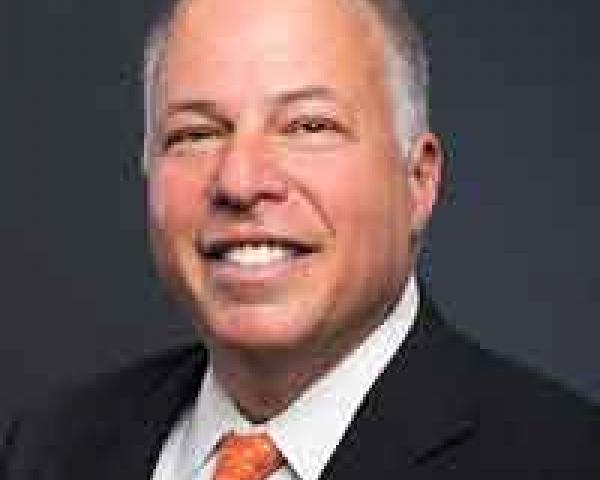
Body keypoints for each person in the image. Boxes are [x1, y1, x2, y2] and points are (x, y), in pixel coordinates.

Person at [1, 0, 598, 478]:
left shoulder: (564, 459)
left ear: (417, 180)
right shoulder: (47, 450)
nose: (240, 182)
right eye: (195, 134)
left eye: (308, 126)